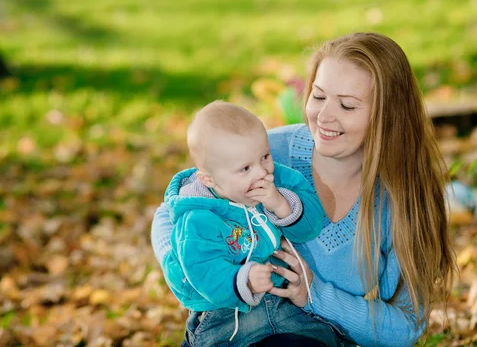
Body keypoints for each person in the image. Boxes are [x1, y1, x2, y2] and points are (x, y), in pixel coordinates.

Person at [152, 32, 457, 347]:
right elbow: (176, 208)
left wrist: (313, 295)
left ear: (387, 116)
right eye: (319, 96)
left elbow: (405, 326)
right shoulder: (269, 154)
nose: (324, 117)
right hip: (232, 329)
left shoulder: (402, 201)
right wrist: (186, 265)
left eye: (347, 106)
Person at [159, 101, 340, 346]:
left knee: (318, 339)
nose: (261, 173)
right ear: (209, 179)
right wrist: (243, 280)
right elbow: (201, 270)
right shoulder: (197, 217)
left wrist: (281, 205)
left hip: (281, 301)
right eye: (245, 168)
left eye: (265, 156)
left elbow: (311, 226)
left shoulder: (278, 180)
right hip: (225, 315)